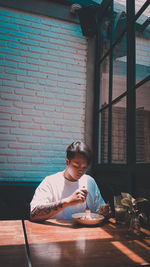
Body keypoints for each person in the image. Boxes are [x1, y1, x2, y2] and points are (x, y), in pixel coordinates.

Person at [30, 141, 111, 221]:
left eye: (84, 168)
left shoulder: (89, 181)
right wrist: (67, 202)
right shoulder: (50, 182)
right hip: (55, 233)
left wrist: (104, 212)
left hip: (85, 233)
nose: (81, 171)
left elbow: (99, 211)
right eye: (76, 166)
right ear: (67, 162)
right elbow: (33, 214)